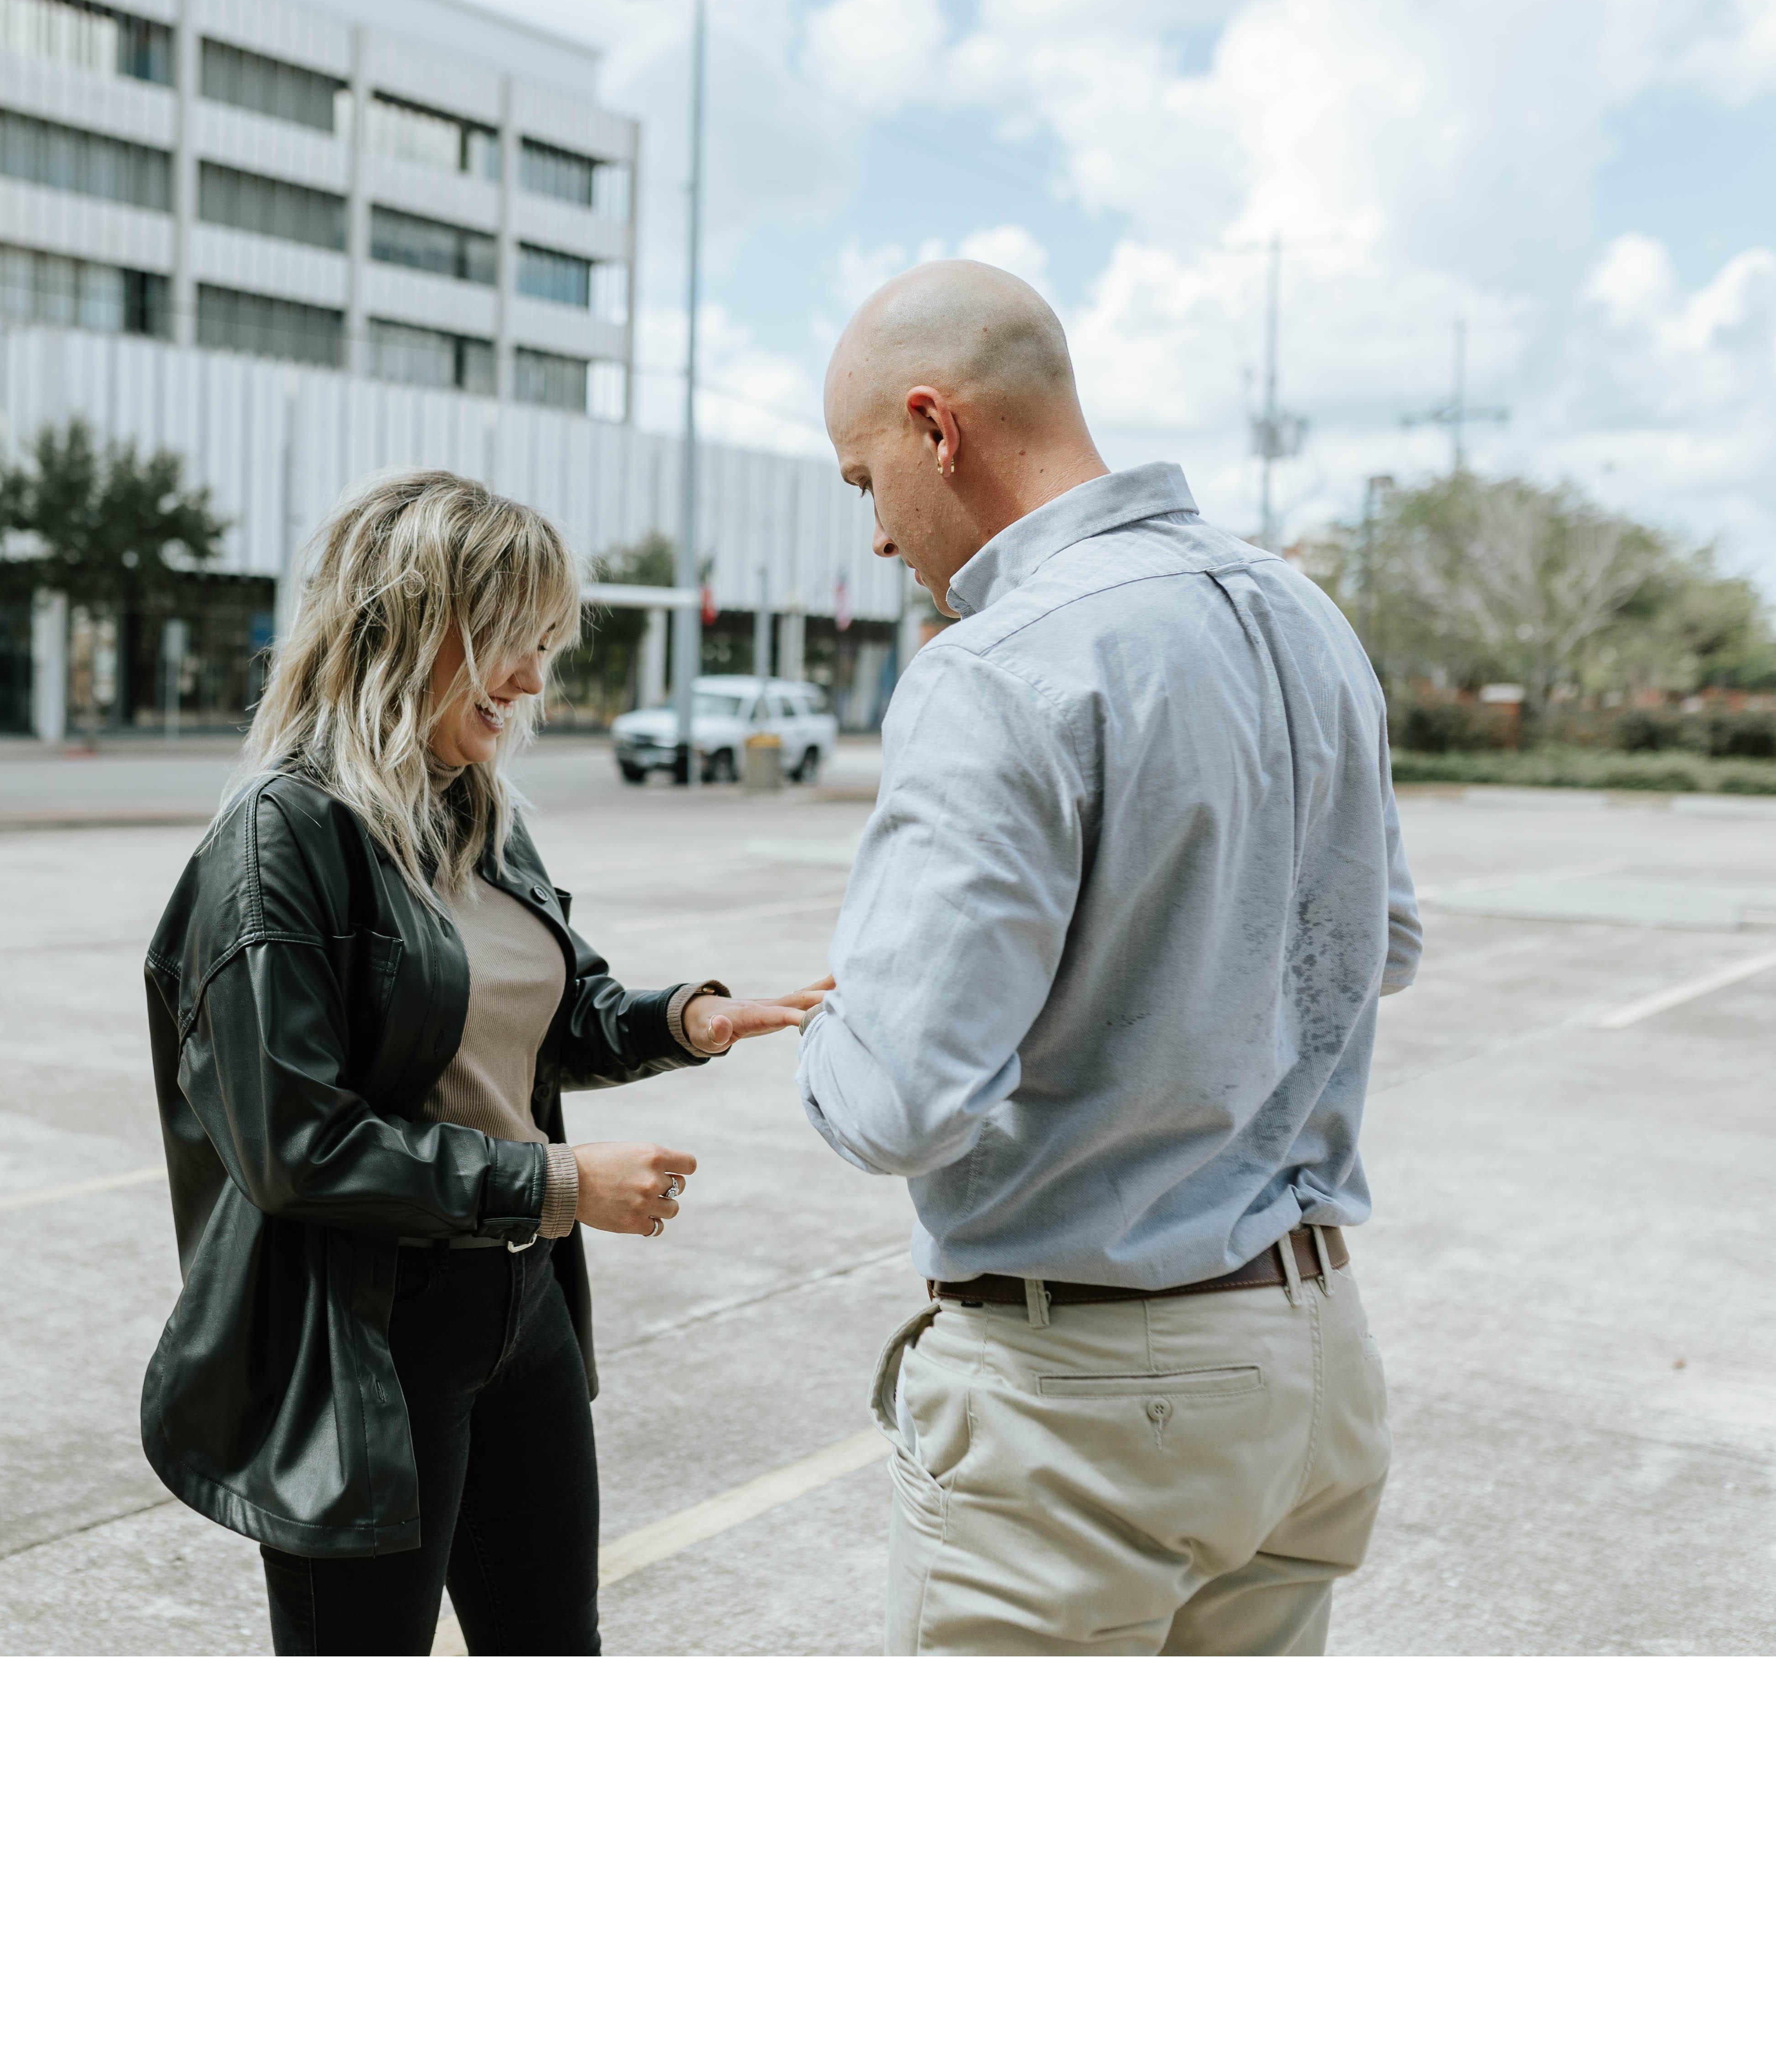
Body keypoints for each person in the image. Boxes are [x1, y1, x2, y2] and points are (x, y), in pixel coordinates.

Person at [797, 261, 1420, 1656]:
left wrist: (839, 1027)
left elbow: (900, 1103)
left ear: (934, 427)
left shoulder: (997, 666)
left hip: (1087, 1396)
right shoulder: (1306, 617)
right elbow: (1383, 945)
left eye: (864, 480)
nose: (879, 533)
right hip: (1311, 1357)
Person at [140, 468, 823, 1656]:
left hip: (522, 1311)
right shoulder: (280, 841)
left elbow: (554, 1013)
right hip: (367, 1341)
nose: (533, 679)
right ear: (407, 623)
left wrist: (686, 1020)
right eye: (513, 639)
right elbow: (298, 1147)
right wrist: (561, 1183)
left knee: (554, 1652)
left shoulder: (476, 813)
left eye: (547, 645)